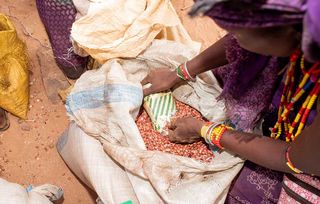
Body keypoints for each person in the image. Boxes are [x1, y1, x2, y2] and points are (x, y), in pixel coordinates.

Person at [141, 0, 320, 203]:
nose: (234, 39)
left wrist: (204, 129)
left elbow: (292, 159)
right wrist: (180, 72)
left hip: (307, 155)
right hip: (297, 86)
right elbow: (238, 40)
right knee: (236, 74)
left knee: (242, 194)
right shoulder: (295, 29)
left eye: (239, 33)